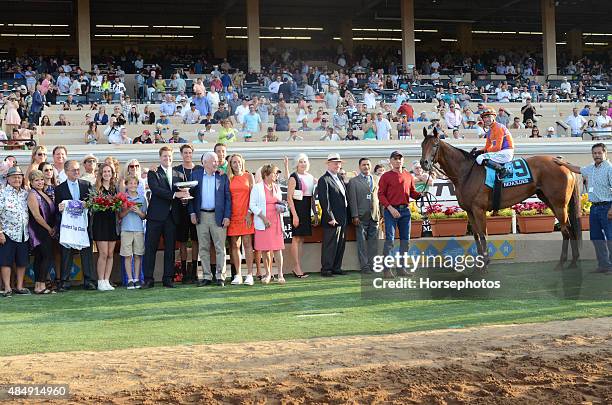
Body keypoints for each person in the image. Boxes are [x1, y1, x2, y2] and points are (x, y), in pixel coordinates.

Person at [553, 143, 612, 273]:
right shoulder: (591, 168)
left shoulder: (609, 168)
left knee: (610, 237)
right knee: (596, 238)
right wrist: (562, 163)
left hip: (607, 207)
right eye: (594, 153)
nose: (596, 155)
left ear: (605, 153)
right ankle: (604, 265)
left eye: (599, 153)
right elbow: (578, 169)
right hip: (594, 209)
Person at [142, 146, 191, 289]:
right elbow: (156, 191)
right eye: (164, 156)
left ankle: (168, 279)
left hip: (172, 217)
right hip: (156, 217)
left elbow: (183, 194)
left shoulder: (179, 174)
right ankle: (148, 279)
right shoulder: (153, 173)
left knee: (170, 249)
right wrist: (175, 195)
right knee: (150, 248)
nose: (167, 159)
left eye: (169, 156)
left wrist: (184, 198)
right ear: (160, 157)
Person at [189, 152, 231, 287]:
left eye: (217, 161)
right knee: (203, 247)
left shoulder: (222, 177)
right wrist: (192, 213)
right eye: (213, 161)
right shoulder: (195, 176)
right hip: (201, 216)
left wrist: (227, 216)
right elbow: (190, 196)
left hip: (217, 217)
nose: (216, 163)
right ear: (204, 163)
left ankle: (221, 276)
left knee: (220, 248)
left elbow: (228, 199)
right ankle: (206, 276)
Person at [378, 151, 421, 277]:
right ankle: (387, 270)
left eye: (400, 158)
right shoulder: (386, 176)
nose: (398, 161)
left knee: (405, 241)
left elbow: (412, 192)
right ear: (391, 161)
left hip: (405, 211)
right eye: (395, 159)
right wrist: (391, 209)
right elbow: (380, 195)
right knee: (390, 241)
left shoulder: (408, 175)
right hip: (391, 211)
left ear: (403, 160)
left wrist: (420, 195)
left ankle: (401, 268)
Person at [55, 160, 97, 291]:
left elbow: (93, 203)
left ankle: (89, 281)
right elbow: (56, 209)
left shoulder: (87, 185)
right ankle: (64, 281)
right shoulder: (59, 188)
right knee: (66, 253)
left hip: (83, 226)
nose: (77, 172)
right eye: (74, 170)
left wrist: (88, 204)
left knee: (86, 253)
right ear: (66, 172)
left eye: (78, 169)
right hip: (68, 227)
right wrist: (60, 208)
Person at [249, 164, 286, 284]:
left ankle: (280, 274)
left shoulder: (276, 187)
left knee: (277, 249)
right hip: (262, 221)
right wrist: (263, 218)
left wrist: (281, 206)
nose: (276, 175)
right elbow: (252, 205)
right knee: (264, 249)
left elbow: (279, 201)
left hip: (276, 221)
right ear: (266, 174)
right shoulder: (257, 187)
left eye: (276, 173)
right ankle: (268, 273)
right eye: (274, 173)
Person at [0, 167, 30, 296]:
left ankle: (19, 286)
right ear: (8, 179)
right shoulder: (2, 193)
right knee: (6, 261)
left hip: (24, 233)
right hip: (7, 233)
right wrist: (0, 232)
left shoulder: (25, 193)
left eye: (19, 177)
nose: (17, 179)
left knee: (22, 261)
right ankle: (7, 287)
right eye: (14, 177)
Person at [317, 153, 348, 277]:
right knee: (330, 244)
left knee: (340, 244)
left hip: (342, 216)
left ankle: (336, 267)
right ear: (328, 164)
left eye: (339, 163)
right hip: (332, 218)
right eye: (335, 163)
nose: (337, 165)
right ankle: (326, 269)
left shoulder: (339, 178)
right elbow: (324, 200)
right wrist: (330, 217)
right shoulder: (324, 179)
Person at [287, 154, 318, 278]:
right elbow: (289, 197)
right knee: (296, 238)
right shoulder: (293, 177)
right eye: (300, 162)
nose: (303, 164)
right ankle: (296, 267)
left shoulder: (310, 177)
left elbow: (311, 197)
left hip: (306, 209)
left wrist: (315, 213)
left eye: (305, 161)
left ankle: (298, 265)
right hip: (297, 208)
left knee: (301, 239)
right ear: (296, 163)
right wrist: (295, 215)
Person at [227, 154, 256, 285]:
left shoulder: (249, 176)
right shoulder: (228, 178)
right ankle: (238, 275)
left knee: (247, 244)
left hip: (246, 215)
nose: (236, 164)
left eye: (238, 162)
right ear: (231, 164)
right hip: (233, 216)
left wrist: (250, 213)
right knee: (234, 245)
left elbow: (254, 196)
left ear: (242, 163)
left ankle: (249, 274)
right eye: (234, 162)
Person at [174, 144, 201, 283]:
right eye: (185, 153)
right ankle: (184, 273)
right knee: (183, 241)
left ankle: (195, 272)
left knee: (196, 241)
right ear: (181, 154)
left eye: (190, 153)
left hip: (196, 210)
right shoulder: (176, 170)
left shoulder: (199, 169)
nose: (188, 155)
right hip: (181, 210)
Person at [348, 158, 380, 274]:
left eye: (368, 165)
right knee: (361, 244)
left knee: (373, 244)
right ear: (359, 167)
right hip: (361, 217)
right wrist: (355, 215)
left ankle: (373, 265)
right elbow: (352, 200)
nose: (366, 167)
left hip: (374, 217)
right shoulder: (354, 181)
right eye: (363, 165)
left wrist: (380, 213)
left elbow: (379, 198)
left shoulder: (376, 179)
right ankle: (365, 267)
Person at [27, 170, 57, 294]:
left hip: (46, 228)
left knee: (41, 257)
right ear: (31, 183)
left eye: (41, 179)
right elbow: (37, 216)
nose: (40, 182)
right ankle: (41, 285)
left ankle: (38, 286)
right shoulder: (32, 195)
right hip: (39, 229)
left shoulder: (42, 192)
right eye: (36, 180)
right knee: (46, 256)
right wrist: (49, 228)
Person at [119, 175, 148, 289]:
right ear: (126, 185)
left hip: (138, 230)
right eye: (130, 183)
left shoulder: (142, 198)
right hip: (126, 229)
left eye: (135, 183)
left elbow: (144, 216)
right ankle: (130, 279)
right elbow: (120, 215)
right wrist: (127, 210)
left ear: (137, 185)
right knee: (127, 255)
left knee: (138, 255)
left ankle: (137, 278)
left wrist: (138, 211)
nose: (132, 185)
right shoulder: (123, 198)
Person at [470, 106, 515, 177]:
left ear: (494, 117)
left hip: (505, 152)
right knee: (479, 156)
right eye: (484, 117)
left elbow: (497, 148)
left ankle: (502, 170)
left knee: (480, 158)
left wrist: (484, 152)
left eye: (488, 117)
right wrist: (479, 151)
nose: (486, 119)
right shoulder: (490, 131)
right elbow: (487, 147)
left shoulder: (498, 127)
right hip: (501, 152)